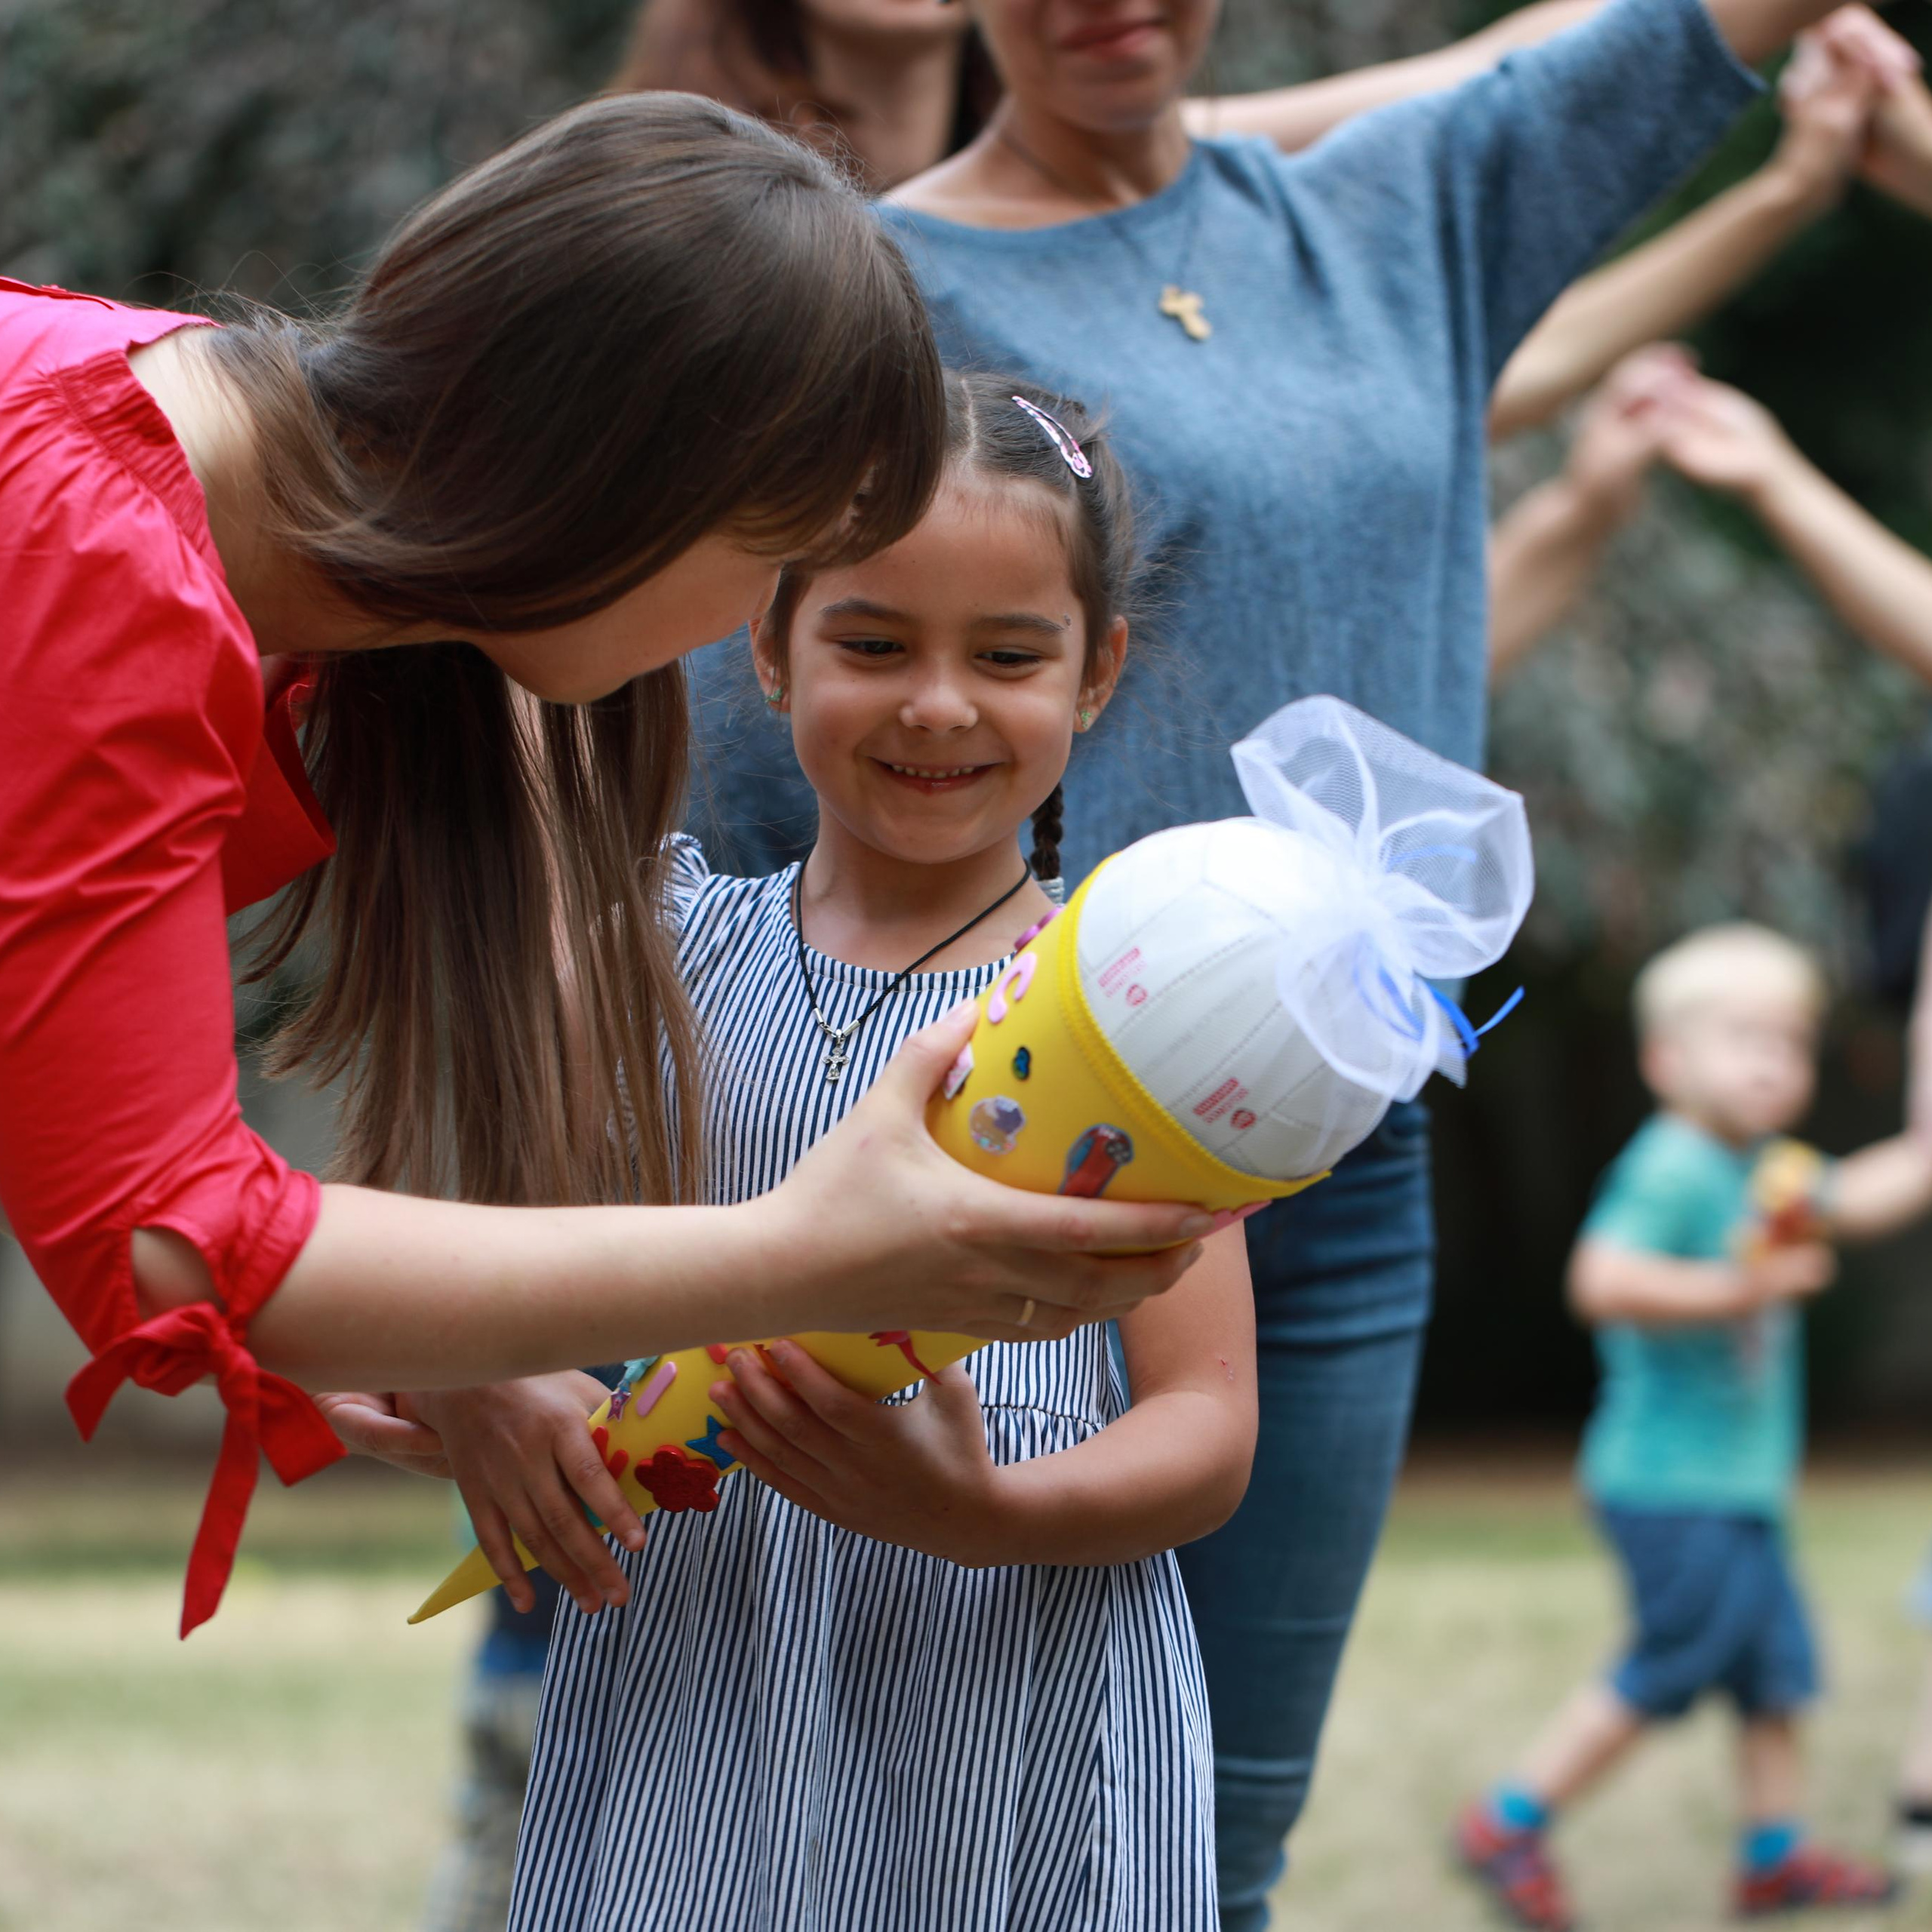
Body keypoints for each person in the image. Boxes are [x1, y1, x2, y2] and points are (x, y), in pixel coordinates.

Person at [842, 7, 1913, 1925]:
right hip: (1005, 1150)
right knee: (946, 1846)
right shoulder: (871, 290)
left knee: (1218, 1846)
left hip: (1339, 1180)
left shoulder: (1406, 214)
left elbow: (1675, 35)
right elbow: (751, 744)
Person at [0, 91, 1217, 1638]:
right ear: (617, 486)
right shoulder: (96, 561)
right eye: (773, 552)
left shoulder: (190, 452)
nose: (736, 630)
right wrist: (795, 1253)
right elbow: (173, 1240)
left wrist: (474, 1317)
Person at [507, 374, 1257, 1932]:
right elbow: (480, 1237)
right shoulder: (650, 952)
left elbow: (1204, 1421)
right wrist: (502, 1391)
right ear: (765, 648)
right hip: (696, 1664)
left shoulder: (1137, 1017)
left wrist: (981, 1515)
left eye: (1005, 653)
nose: (937, 702)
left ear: (1095, 669)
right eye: (869, 641)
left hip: (1009, 1682)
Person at [1456, 922, 1932, 1927]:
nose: (1775, 1063)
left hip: (1737, 1484)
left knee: (1773, 1675)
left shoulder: (1771, 1171)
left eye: (1792, 1044)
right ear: (1667, 1060)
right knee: (1673, 1662)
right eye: (1746, 1038)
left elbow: (1864, 1192)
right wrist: (1737, 1287)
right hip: (1669, 1483)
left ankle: (1774, 1856)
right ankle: (1510, 1820)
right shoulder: (1673, 1165)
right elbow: (1601, 1279)